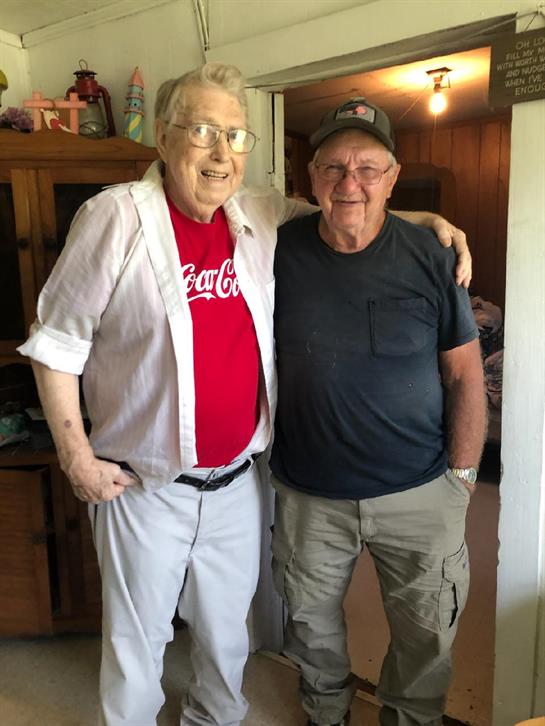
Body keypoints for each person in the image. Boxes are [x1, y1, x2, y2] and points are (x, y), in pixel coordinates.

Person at [18, 65, 470, 726]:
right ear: (164, 138)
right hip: (144, 485)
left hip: (236, 482)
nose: (221, 152)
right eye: (202, 131)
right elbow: (57, 343)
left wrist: (425, 219)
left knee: (228, 634)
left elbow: (347, 206)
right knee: (138, 643)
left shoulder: (255, 212)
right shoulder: (114, 217)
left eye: (234, 135)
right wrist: (75, 458)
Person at [270, 97, 488, 726]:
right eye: (333, 167)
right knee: (309, 625)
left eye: (368, 168)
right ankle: (326, 716)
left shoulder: (432, 255)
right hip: (310, 496)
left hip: (421, 492)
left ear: (392, 178)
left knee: (427, 633)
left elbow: (464, 374)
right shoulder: (273, 251)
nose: (350, 182)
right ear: (311, 179)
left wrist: (463, 477)